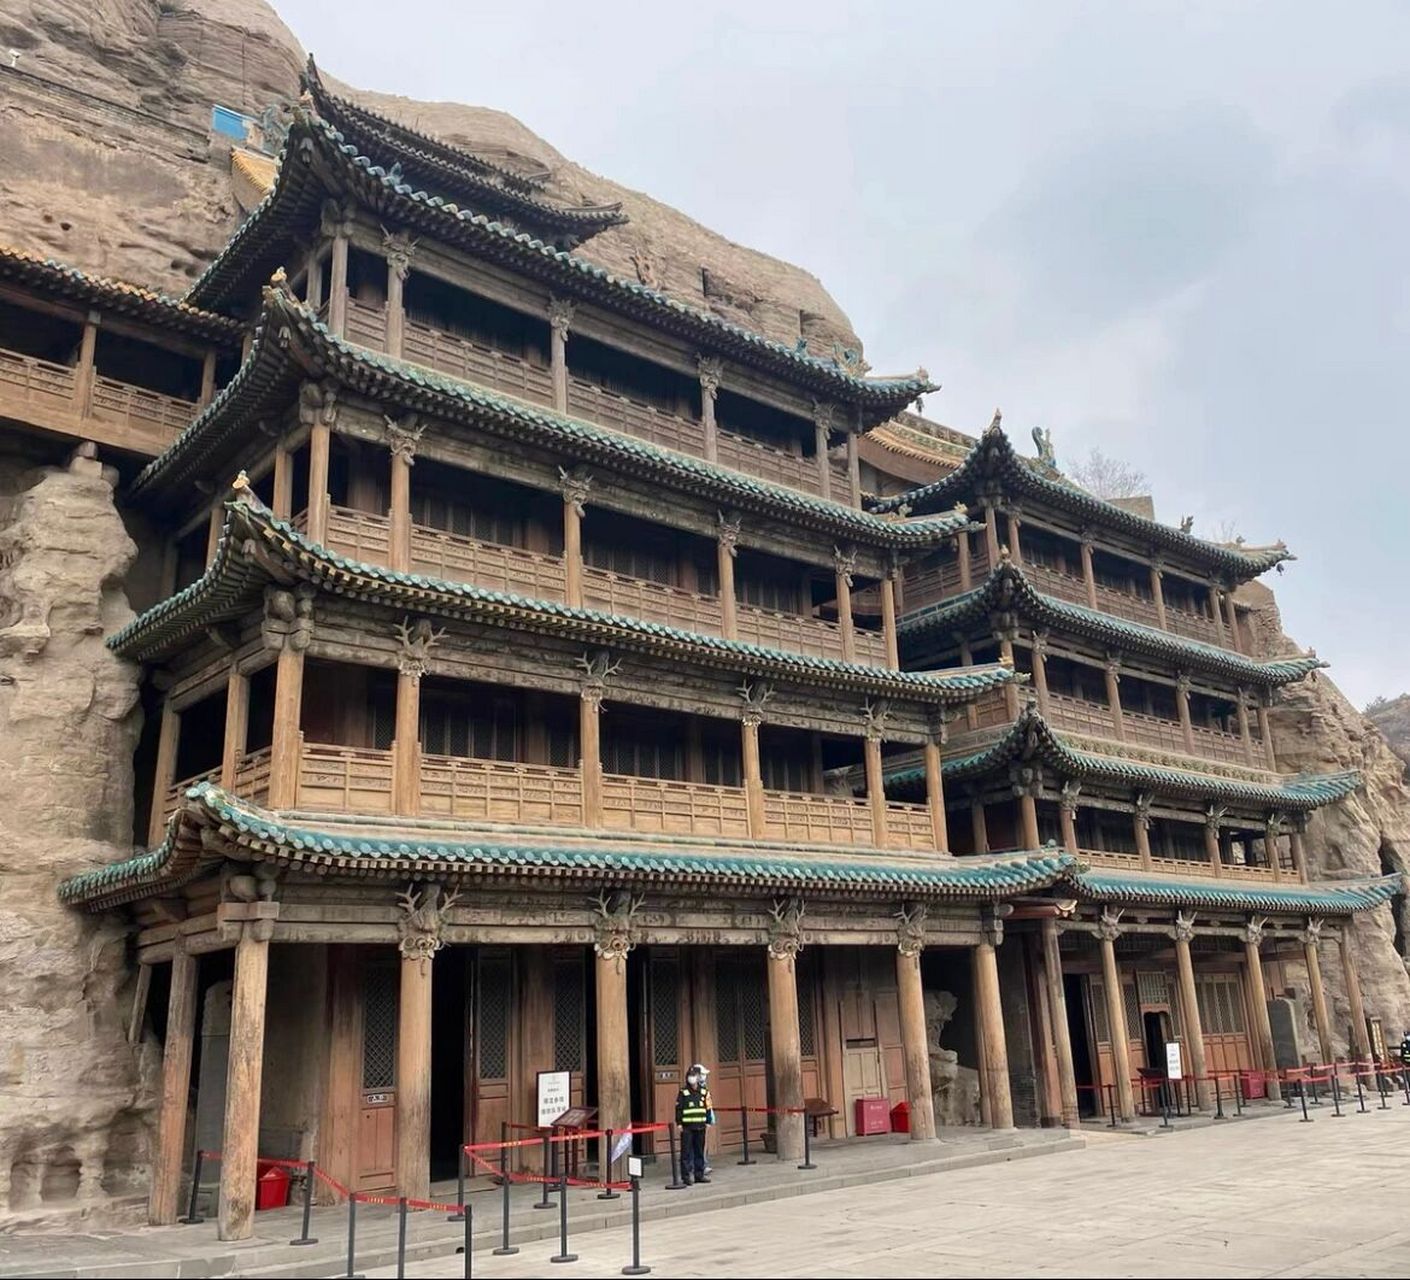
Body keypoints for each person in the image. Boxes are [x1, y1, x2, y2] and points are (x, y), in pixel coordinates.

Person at [674, 1062, 715, 1185]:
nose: (692, 1078)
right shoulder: (683, 1092)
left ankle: (699, 1175)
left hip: (701, 1126)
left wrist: (708, 1121)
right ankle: (686, 1177)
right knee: (686, 1153)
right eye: (690, 1075)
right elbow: (678, 1108)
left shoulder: (704, 1092)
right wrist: (679, 1123)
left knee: (699, 1152)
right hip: (687, 1127)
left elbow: (708, 1107)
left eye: (694, 1075)